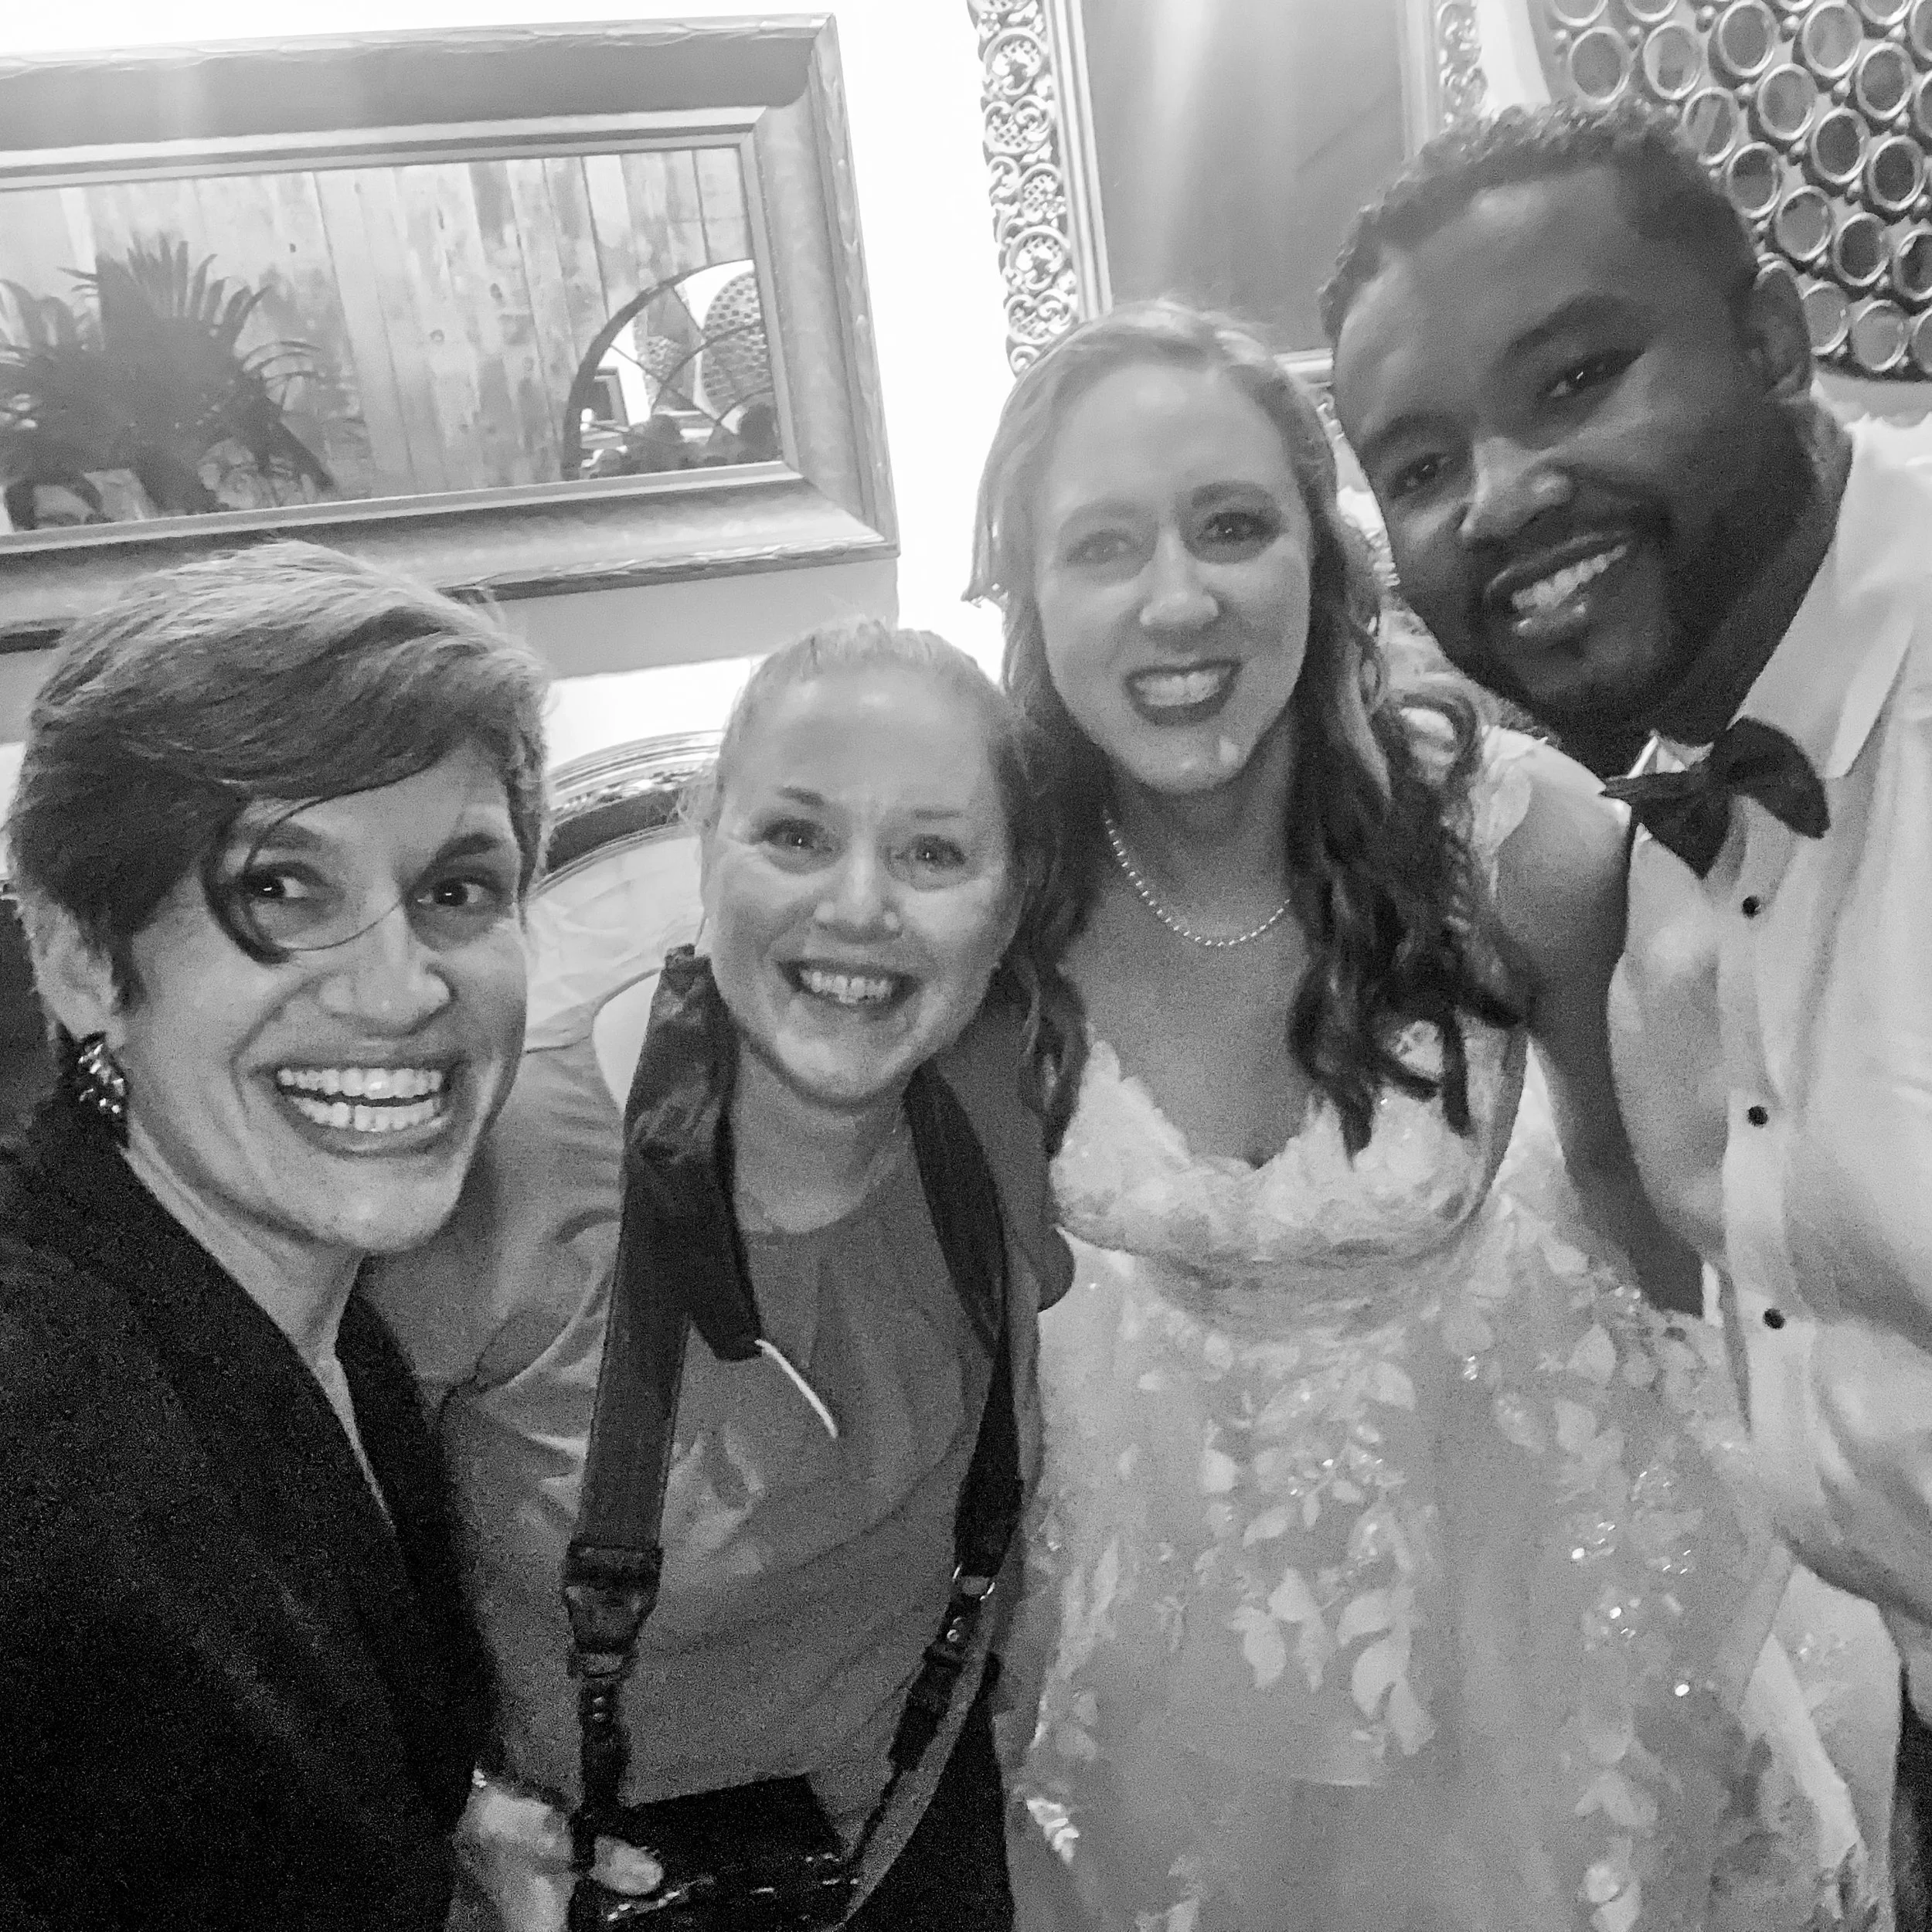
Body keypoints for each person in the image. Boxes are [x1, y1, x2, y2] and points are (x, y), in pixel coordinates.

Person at [968, 299, 1874, 1930]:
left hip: (1515, 1572)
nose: (1176, 599)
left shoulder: (1510, 844)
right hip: (1147, 1577)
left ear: (1321, 563)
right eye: (1100, 545)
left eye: (1231, 526)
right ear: (1029, 596)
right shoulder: (987, 894)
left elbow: (1664, 1210)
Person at [1323, 94, 1932, 1927]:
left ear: (1767, 340)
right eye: (1419, 464)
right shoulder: (1650, 820)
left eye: (1576, 376)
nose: (1497, 499)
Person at [368, 619, 1072, 1930]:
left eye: (932, 852)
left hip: (922, 1845)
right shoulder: (500, 1162)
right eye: (796, 837)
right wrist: (444, 1806)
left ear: (1012, 898)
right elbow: (312, 1550)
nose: (860, 907)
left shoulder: (1000, 1096)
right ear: (709, 853)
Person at [0, 541, 549, 1928]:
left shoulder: (296, 1304)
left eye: (457, 889)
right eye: (283, 890)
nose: (400, 990)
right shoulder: (46, 1459)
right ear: (79, 958)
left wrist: (437, 1837)